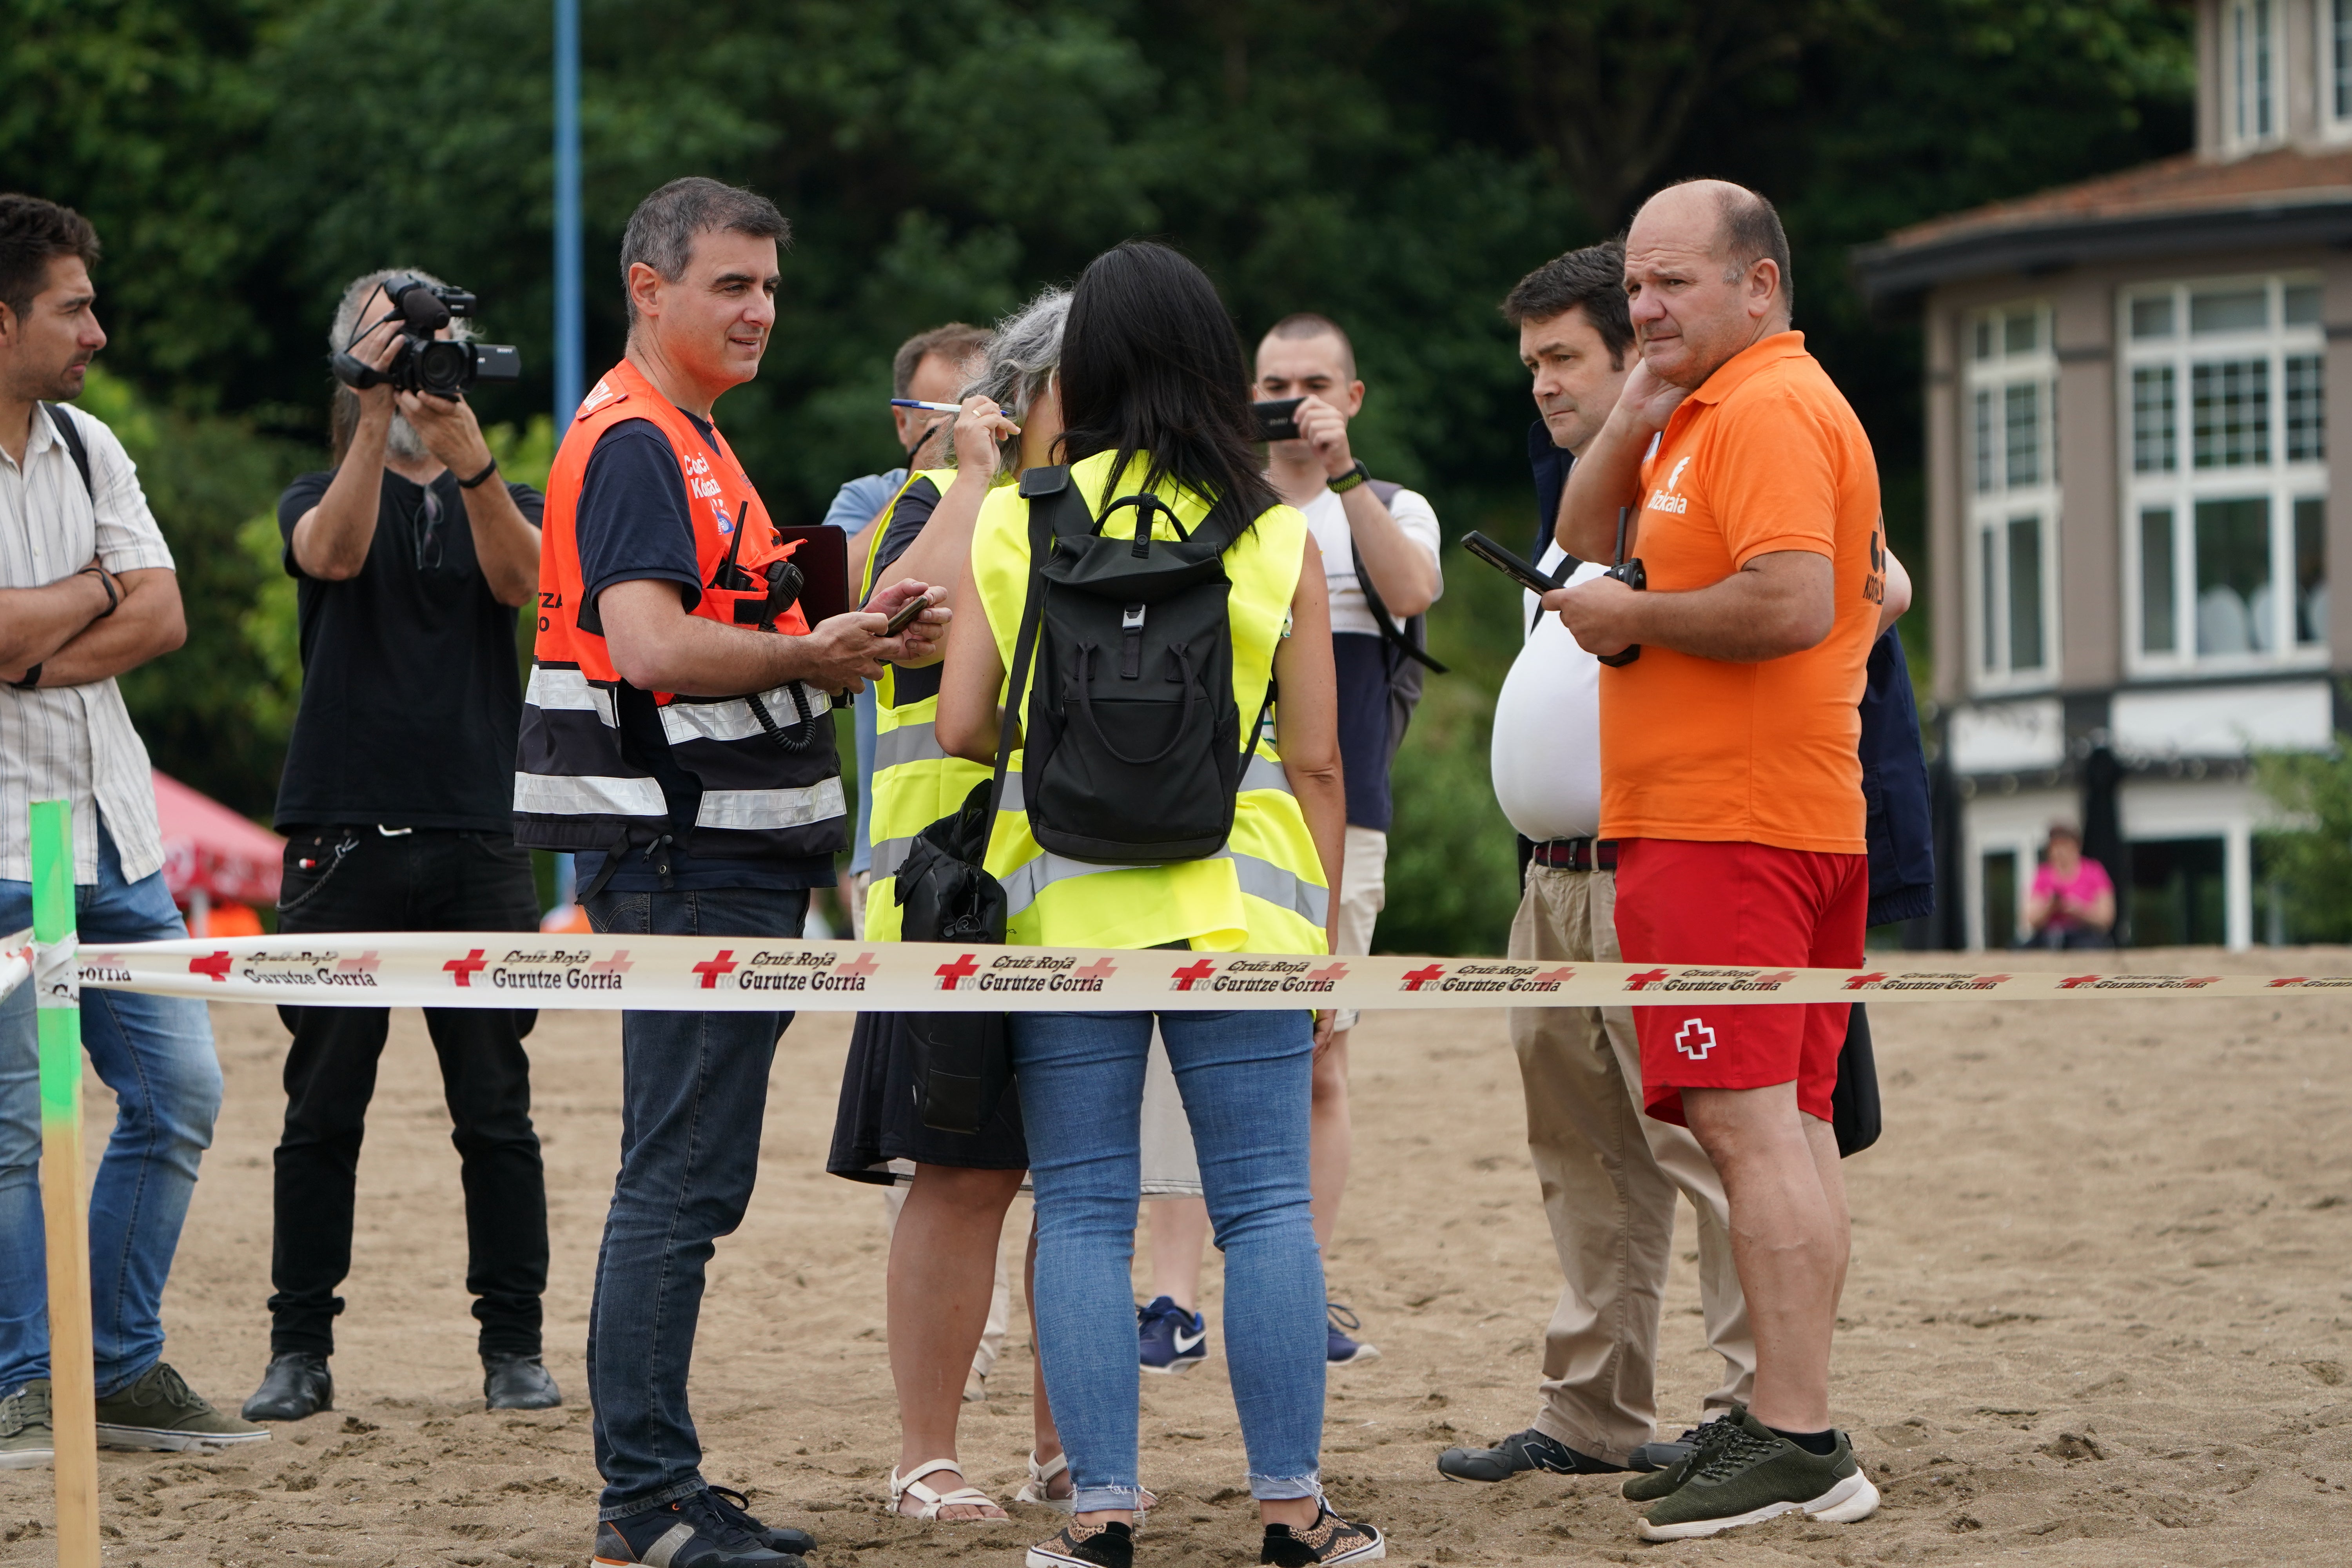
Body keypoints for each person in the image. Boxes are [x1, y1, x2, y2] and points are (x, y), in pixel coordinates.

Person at [513, 176, 944, 1568]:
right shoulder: (640, 438)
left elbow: (732, 618)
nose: (761, 308)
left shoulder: (693, 436)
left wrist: (847, 624)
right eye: (731, 285)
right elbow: (649, 643)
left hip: (720, 856)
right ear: (649, 289)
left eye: (769, 284)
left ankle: (662, 1487)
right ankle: (643, 1501)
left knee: (688, 1181)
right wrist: (817, 656)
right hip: (682, 854)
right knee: (676, 1182)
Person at [936, 240, 1383, 1568]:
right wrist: (1309, 946)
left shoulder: (1022, 515)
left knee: (1080, 1207)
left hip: (1064, 908)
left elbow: (964, 726)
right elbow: (1315, 760)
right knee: (1262, 1208)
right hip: (1241, 911)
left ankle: (1104, 1513)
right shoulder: (1272, 528)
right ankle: (1292, 1513)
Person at [1548, 179, 1882, 1540]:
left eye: (1673, 283)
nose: (1644, 307)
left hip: (1733, 818)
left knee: (1754, 1128)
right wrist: (1632, 407)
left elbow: (1796, 601)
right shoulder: (1700, 410)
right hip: (1750, 814)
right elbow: (1579, 537)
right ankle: (1790, 1419)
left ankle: (1799, 1433)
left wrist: (1639, 616)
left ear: (1760, 286)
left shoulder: (1772, 408)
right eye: (1634, 286)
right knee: (1782, 1128)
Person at [1436, 241, 1757, 1488]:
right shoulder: (1578, 499)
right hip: (1554, 876)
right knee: (1580, 1156)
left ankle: (1751, 1406)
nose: (1540, 385)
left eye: (1562, 358)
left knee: (1715, 1146)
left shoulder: (1711, 470)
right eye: (1530, 363)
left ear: (1638, 358)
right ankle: (1590, 1414)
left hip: (1663, 863)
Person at [240, 267, 557, 1425]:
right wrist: (374, 411)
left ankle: (513, 1346)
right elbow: (330, 554)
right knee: (322, 1105)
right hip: (341, 835)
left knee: (496, 1106)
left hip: (478, 834)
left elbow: (522, 581)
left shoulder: (498, 489)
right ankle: (298, 1349)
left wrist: (463, 449)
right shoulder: (315, 489)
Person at [0, 192, 263, 1465]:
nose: (97, 330)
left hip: (112, 836)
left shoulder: (93, 446)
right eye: (73, 306)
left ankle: (112, 1365)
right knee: (16, 1127)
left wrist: (52, 634)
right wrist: (90, 595)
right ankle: (24, 1381)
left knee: (180, 1093)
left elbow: (162, 617)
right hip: (3, 853)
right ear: (1, 322)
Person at [1137, 315, 1443, 1374]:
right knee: (1178, 1055)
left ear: (1353, 398)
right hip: (1207, 819)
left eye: (1316, 384)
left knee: (1320, 1053)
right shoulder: (1214, 506)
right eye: (1274, 383)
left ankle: (1298, 1284)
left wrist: (1343, 474)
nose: (1294, 400)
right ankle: (1171, 1300)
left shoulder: (1391, 510)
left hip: (1341, 819)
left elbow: (1414, 598)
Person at [824, 288, 1076, 1521]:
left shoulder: (1105, 512)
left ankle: (1062, 1445)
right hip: (945, 900)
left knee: (1078, 1181)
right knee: (963, 1176)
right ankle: (927, 1452)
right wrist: (973, 478)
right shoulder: (909, 506)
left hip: (1081, 891)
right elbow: (891, 631)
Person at [822, 323, 991, 937]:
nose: (962, 425)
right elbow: (826, 600)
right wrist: (935, 481)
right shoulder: (871, 498)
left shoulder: (1018, 499)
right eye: (945, 411)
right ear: (904, 422)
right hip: (894, 840)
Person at [2022, 822, 2113, 949]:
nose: (2060, 852)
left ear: (2077, 847)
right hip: (2049, 937)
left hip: (2085, 936)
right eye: (2056, 847)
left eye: (2065, 846)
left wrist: (2079, 910)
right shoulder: (2042, 874)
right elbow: (2031, 919)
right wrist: (2050, 907)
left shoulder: (2094, 872)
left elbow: (2107, 918)